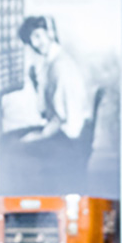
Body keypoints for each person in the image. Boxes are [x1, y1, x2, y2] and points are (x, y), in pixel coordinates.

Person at [17, 15, 94, 185]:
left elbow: (70, 122)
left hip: (72, 138)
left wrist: (39, 136)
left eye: (38, 36)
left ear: (48, 33)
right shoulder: (49, 64)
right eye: (31, 41)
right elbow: (45, 111)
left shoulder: (61, 67)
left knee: (19, 151)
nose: (36, 44)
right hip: (62, 129)